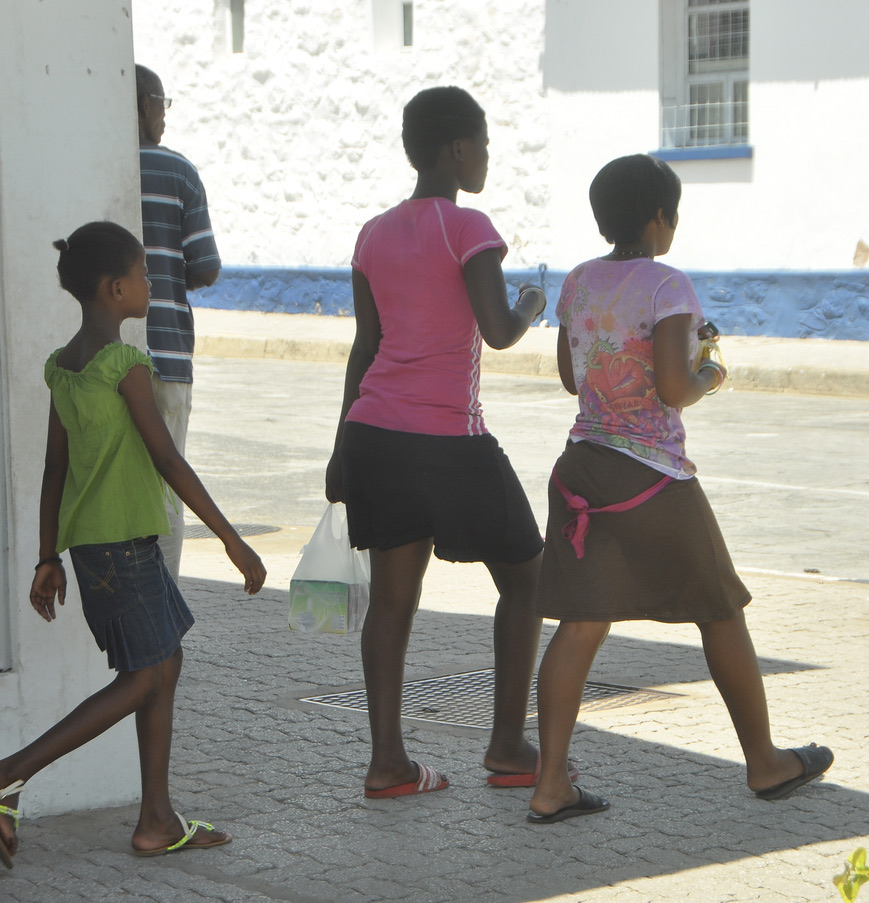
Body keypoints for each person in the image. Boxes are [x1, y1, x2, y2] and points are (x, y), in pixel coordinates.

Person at [527, 154, 834, 824]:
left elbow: (568, 375)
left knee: (578, 625)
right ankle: (765, 762)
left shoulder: (578, 281)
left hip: (582, 467)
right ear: (659, 218)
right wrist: (709, 372)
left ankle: (550, 784)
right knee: (719, 611)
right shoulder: (667, 285)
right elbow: (672, 388)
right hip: (651, 475)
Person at [0, 222, 265, 868]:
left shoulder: (62, 369)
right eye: (145, 275)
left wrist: (47, 556)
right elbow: (168, 459)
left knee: (163, 664)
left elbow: (53, 471)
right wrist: (233, 540)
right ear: (116, 289)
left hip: (101, 551)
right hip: (123, 550)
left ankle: (155, 819)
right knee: (147, 672)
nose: (151, 283)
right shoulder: (126, 365)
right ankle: (10, 771)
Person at [325, 86, 551, 798]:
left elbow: (367, 344)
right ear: (455, 149)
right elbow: (496, 328)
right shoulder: (468, 226)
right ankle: (510, 744)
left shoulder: (372, 232)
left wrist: (339, 446)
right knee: (527, 578)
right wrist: (530, 306)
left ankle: (387, 761)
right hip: (450, 440)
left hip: (374, 433)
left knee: (393, 599)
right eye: (481, 142)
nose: (485, 155)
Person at [136, 64, 221, 582]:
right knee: (166, 485)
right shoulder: (177, 172)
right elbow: (206, 266)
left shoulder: (87, 163)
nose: (164, 116)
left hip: (100, 358)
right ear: (144, 104)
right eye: (162, 104)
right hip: (164, 356)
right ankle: (162, 613)